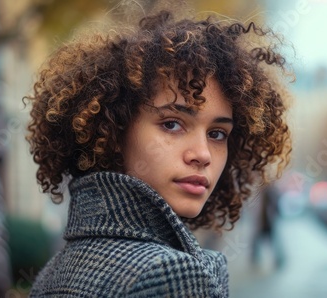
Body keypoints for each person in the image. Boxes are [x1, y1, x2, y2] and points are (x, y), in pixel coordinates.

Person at [25, 7, 291, 297]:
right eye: (172, 124)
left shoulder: (54, 272)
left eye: (217, 134)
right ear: (114, 131)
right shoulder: (173, 275)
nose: (203, 154)